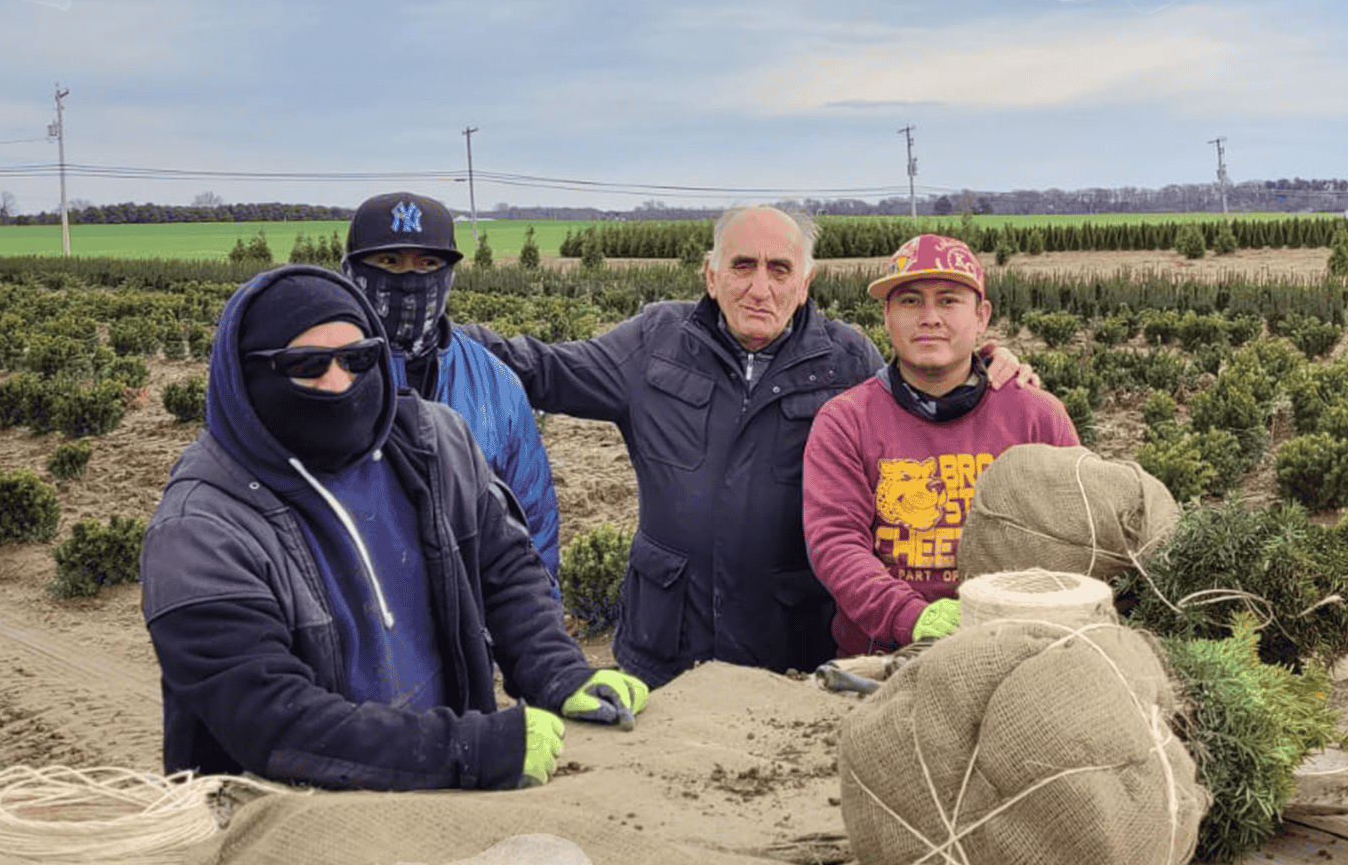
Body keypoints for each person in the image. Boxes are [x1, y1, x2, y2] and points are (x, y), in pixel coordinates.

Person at [457, 204, 1038, 688]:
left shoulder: (845, 357)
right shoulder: (655, 342)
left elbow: (922, 400)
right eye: (742, 266)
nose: (760, 287)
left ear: (806, 281)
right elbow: (542, 368)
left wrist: (982, 366)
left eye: (780, 269)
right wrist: (435, 336)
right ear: (711, 275)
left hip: (792, 644)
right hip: (665, 642)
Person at [140, 264, 647, 792]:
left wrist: (558, 671)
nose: (339, 384)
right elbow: (270, 719)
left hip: (433, 798)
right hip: (276, 826)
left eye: (358, 359)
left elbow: (507, 570)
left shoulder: (435, 443)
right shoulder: (198, 530)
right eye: (306, 364)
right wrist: (469, 750)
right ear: (247, 377)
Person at [803, 233, 1080, 657]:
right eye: (911, 301)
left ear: (981, 316)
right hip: (882, 655)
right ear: (888, 316)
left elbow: (1075, 534)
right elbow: (837, 543)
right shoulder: (846, 421)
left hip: (1012, 648)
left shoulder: (1037, 417)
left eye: (949, 300)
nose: (930, 317)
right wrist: (911, 618)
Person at [341, 191, 561, 582]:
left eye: (428, 263)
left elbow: (533, 529)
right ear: (351, 271)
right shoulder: (320, 378)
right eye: (388, 262)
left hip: (474, 624)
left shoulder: (497, 385)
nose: (410, 281)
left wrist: (534, 626)